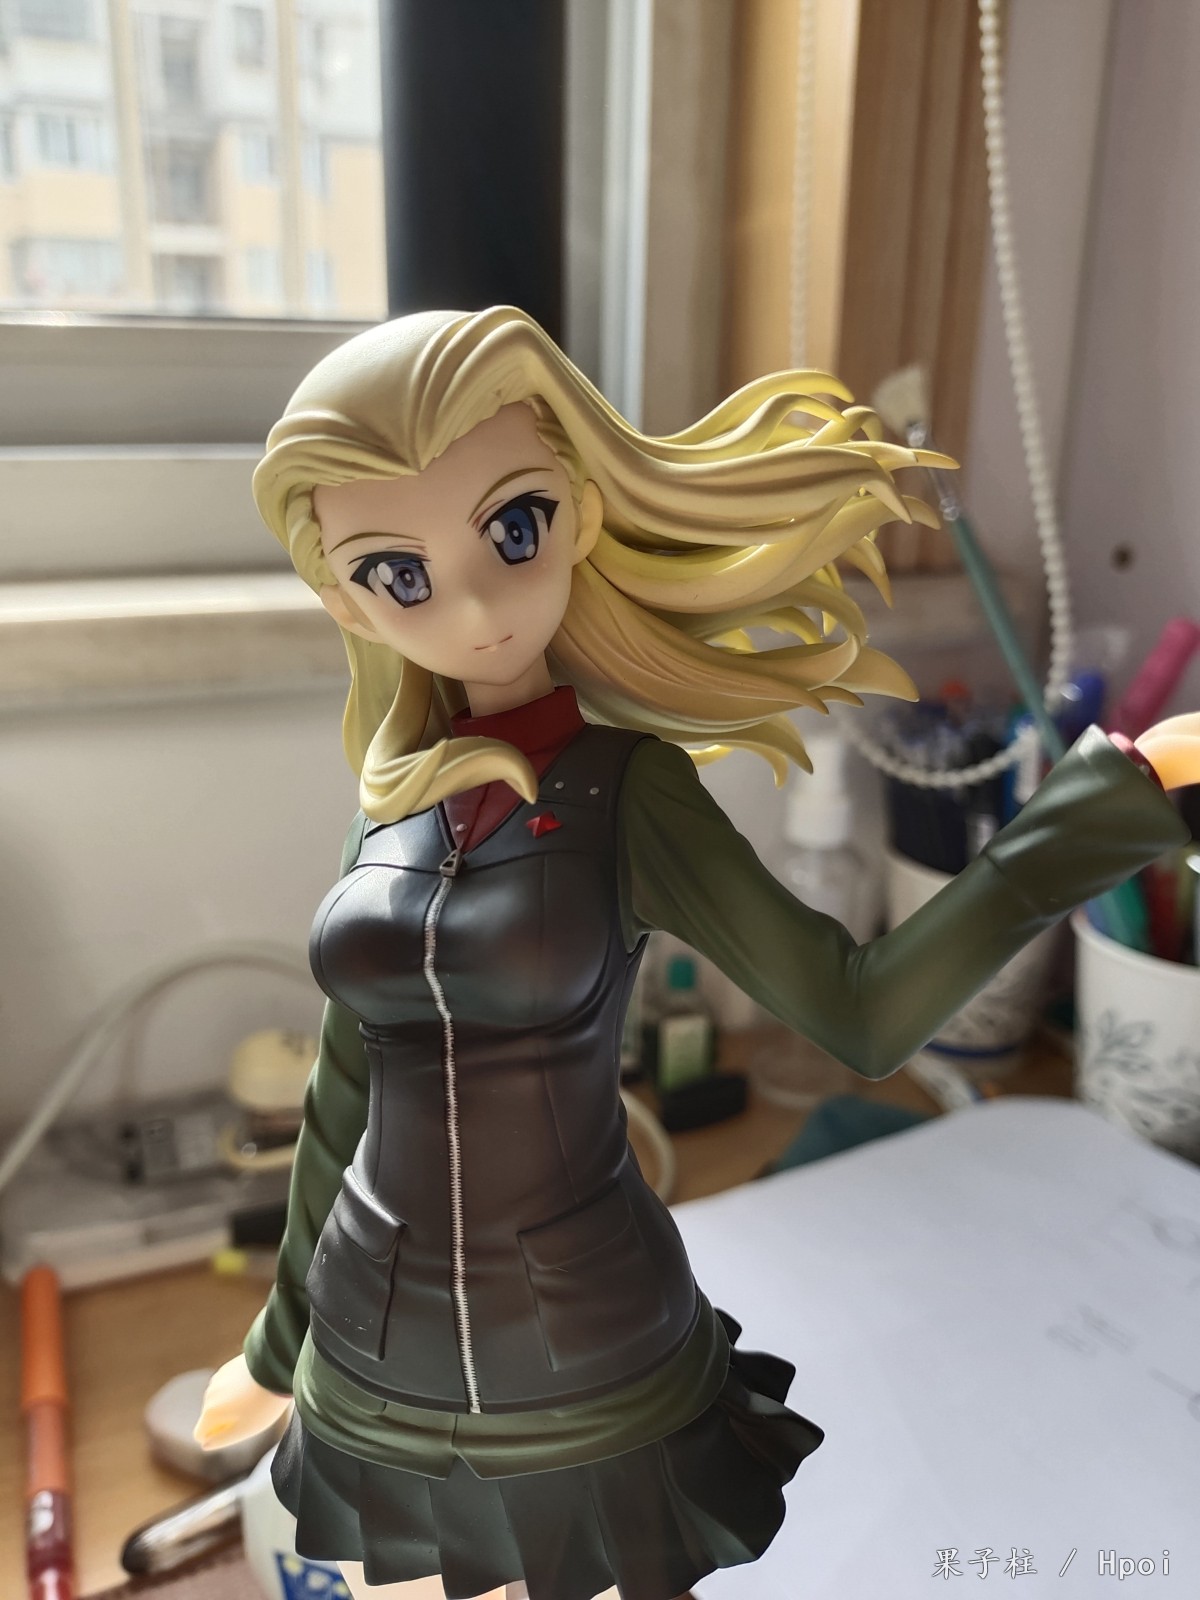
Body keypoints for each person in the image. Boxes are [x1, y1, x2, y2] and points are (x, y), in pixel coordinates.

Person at [195, 306, 1197, 1600]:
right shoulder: (387, 811)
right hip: (369, 1348)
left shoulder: (627, 795)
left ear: (576, 512)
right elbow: (347, 1096)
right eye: (401, 573)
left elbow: (859, 1011)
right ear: (346, 599)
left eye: (512, 529)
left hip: (580, 1352)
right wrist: (276, 1347)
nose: (479, 604)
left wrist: (1095, 811)